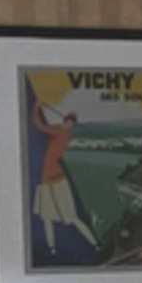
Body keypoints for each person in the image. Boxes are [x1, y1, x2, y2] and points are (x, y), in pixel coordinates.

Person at [27, 86, 100, 262]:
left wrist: (36, 107)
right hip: (46, 181)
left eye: (70, 123)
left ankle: (95, 244)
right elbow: (43, 127)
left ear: (72, 126)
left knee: (71, 217)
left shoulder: (62, 133)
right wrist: (39, 108)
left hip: (57, 180)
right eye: (67, 121)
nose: (67, 124)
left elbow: (38, 125)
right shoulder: (60, 131)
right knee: (47, 218)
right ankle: (52, 249)